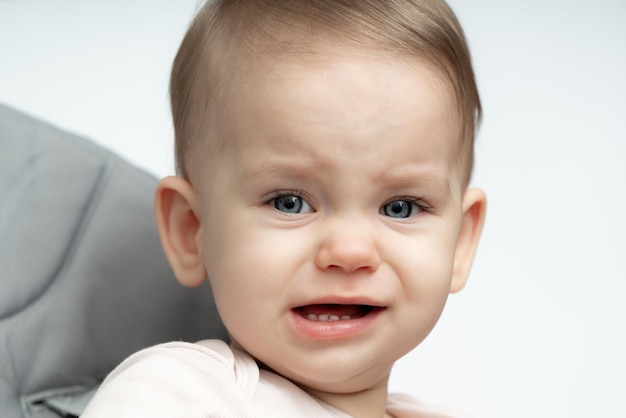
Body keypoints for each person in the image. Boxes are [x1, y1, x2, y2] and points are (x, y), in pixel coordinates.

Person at [82, 0, 486, 416]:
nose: (349, 253)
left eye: (400, 207)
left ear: (459, 242)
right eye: (289, 203)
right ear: (192, 229)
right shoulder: (176, 394)